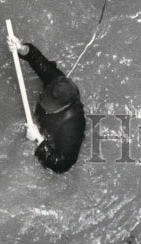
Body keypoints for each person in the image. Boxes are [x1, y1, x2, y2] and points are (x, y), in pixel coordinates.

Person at [6, 32, 86, 174]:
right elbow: (40, 62)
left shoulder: (72, 127)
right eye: (46, 96)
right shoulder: (58, 80)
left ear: (61, 107)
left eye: (48, 103)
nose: (43, 100)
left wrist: (39, 140)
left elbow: (62, 165)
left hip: (53, 133)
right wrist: (22, 48)